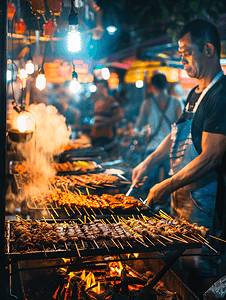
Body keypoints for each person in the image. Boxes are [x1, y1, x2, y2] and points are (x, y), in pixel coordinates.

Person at [132, 18, 226, 297]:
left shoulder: (221, 95)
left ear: (208, 50)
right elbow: (175, 136)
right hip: (187, 204)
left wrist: (166, 185)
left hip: (212, 209)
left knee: (205, 280)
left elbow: (212, 156)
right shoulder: (195, 93)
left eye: (186, 52)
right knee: (188, 275)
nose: (181, 58)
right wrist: (148, 162)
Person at [135, 73, 182, 202]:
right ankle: (165, 212)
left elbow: (139, 126)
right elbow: (181, 127)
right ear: (167, 84)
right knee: (170, 187)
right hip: (171, 149)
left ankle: (148, 210)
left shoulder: (147, 103)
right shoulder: (176, 102)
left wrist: (143, 132)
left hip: (153, 149)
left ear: (152, 86)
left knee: (147, 187)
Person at [90, 80, 124, 149]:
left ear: (106, 88)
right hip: (95, 137)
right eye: (98, 88)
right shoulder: (97, 102)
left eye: (100, 88)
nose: (98, 90)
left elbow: (120, 115)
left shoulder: (111, 101)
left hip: (106, 137)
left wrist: (105, 122)